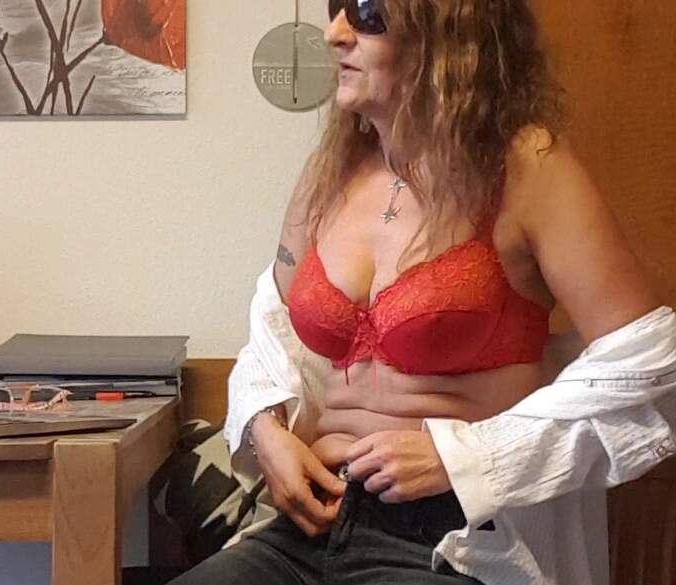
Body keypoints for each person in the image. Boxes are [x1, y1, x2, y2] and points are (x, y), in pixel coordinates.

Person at [170, 1, 676, 584]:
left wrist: (465, 458)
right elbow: (272, 332)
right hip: (309, 522)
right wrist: (265, 431)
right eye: (336, 7)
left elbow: (652, 361)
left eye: (367, 12)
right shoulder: (329, 173)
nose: (334, 33)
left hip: (449, 540)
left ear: (448, 31)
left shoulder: (527, 169)